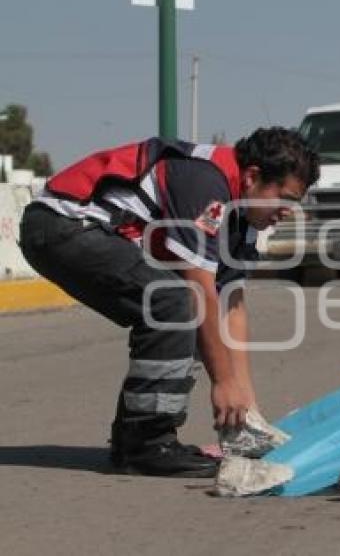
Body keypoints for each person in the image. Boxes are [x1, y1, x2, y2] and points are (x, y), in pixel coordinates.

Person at [19, 127, 319, 477]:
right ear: (253, 176)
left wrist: (247, 408)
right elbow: (199, 288)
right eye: (284, 198)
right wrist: (223, 383)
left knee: (186, 313)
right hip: (61, 225)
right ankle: (147, 443)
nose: (286, 213)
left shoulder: (246, 222)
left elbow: (230, 305)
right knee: (174, 303)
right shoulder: (205, 182)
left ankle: (134, 439)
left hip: (84, 232)